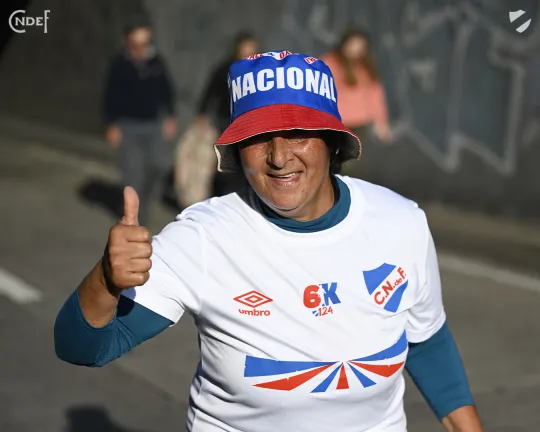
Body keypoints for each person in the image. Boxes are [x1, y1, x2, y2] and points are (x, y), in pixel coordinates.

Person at [55, 51, 483, 431]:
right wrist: (106, 280)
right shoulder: (202, 238)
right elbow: (82, 347)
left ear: (332, 142)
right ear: (238, 149)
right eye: (258, 137)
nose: (279, 157)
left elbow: (426, 341)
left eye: (297, 132)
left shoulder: (401, 222)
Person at [103, 18, 177, 226]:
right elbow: (109, 95)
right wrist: (111, 124)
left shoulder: (156, 62)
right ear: (128, 42)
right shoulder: (119, 64)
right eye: (136, 45)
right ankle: (134, 217)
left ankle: (143, 204)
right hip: (128, 125)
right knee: (133, 174)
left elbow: (167, 89)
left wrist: (170, 116)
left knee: (158, 165)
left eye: (144, 44)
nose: (140, 49)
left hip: (153, 124)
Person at [195, 31, 259, 197]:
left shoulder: (260, 70)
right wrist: (202, 114)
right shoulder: (225, 69)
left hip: (251, 123)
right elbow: (210, 92)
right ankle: (224, 196)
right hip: (227, 122)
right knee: (227, 165)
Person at [322, 28, 391, 144]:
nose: (355, 49)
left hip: (360, 122)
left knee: (356, 154)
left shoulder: (366, 67)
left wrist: (381, 122)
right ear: (344, 44)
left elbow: (375, 95)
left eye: (360, 46)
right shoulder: (330, 62)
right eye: (353, 44)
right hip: (335, 122)